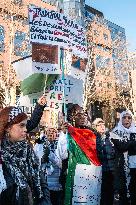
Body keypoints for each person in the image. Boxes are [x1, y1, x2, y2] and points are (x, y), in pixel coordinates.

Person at [0, 106, 51, 205]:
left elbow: (42, 182)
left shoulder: (28, 150)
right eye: (21, 125)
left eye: (26, 126)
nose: (25, 130)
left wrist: (45, 202)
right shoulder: (2, 157)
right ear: (7, 127)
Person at [64, 104, 102, 205]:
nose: (82, 117)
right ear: (71, 117)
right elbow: (63, 154)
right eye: (78, 115)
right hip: (75, 174)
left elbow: (99, 153)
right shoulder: (67, 133)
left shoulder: (91, 133)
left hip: (91, 174)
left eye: (83, 114)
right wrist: (64, 134)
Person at [34, 127, 63, 205]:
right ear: (45, 133)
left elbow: (61, 164)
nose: (51, 132)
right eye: (49, 131)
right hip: (43, 184)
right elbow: (34, 162)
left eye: (53, 131)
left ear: (56, 134)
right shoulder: (39, 145)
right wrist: (42, 159)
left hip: (56, 184)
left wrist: (50, 155)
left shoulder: (60, 146)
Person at [112, 110, 136, 205]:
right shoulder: (116, 131)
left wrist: (128, 143)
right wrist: (132, 143)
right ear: (120, 119)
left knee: (134, 188)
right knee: (123, 190)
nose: (127, 119)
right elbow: (122, 146)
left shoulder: (134, 130)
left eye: (129, 117)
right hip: (121, 166)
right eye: (124, 117)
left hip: (134, 165)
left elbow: (126, 145)